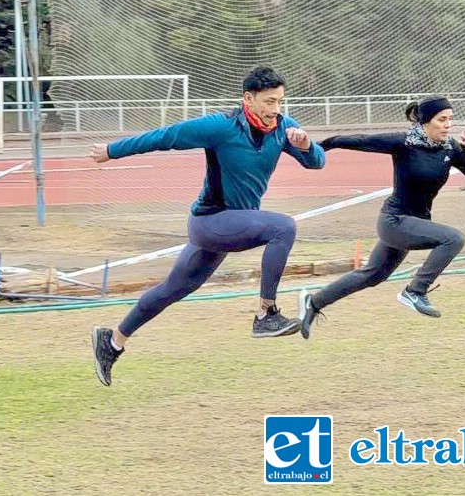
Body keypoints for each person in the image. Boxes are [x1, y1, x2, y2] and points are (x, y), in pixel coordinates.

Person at [90, 66, 325, 386]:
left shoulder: (284, 128)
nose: (276, 110)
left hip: (233, 224)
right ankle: (266, 315)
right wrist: (111, 151)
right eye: (269, 102)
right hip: (210, 221)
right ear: (248, 99)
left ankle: (112, 341)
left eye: (281, 102)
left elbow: (317, 162)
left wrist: (307, 146)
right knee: (283, 227)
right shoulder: (222, 126)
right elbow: (166, 137)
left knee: (173, 289)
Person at [299, 95, 465, 339]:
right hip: (394, 221)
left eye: (450, 119)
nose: (448, 125)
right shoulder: (404, 143)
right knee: (454, 239)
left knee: (372, 275)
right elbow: (361, 141)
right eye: (442, 120)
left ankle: (313, 303)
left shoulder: (450, 149)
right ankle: (415, 291)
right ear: (425, 122)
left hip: (414, 224)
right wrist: (316, 147)